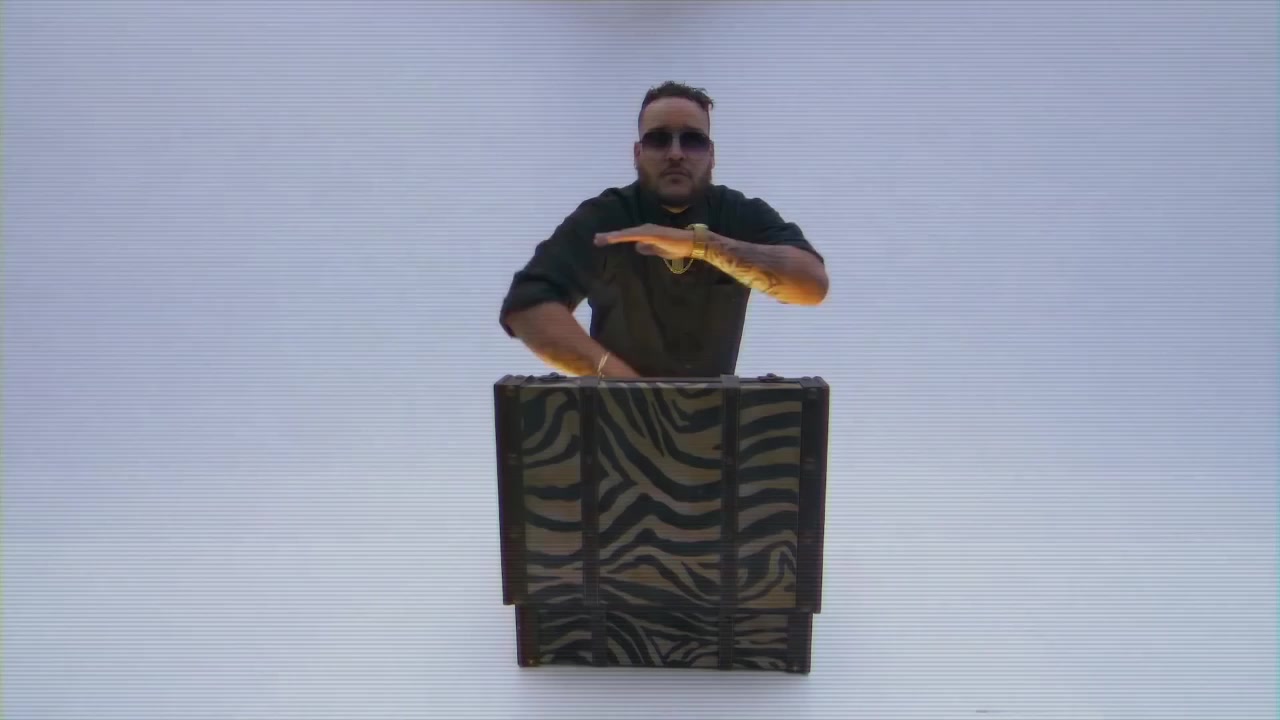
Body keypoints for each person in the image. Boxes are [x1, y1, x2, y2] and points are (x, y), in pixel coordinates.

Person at [499, 81, 829, 379]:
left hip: (714, 418)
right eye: (658, 140)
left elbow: (812, 285)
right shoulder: (606, 216)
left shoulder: (739, 213)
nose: (675, 153)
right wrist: (623, 383)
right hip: (616, 415)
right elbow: (528, 305)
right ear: (637, 153)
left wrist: (701, 246)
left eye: (692, 140)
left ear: (712, 154)